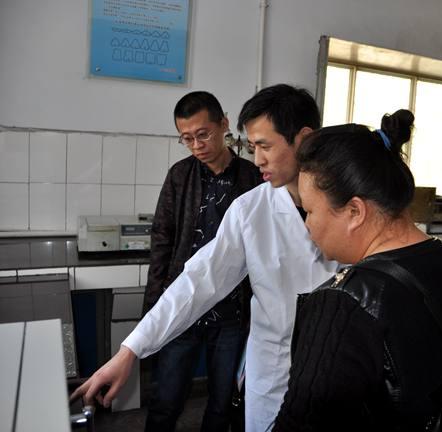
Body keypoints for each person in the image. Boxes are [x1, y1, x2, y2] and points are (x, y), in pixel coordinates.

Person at [71, 84, 339, 432]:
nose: (258, 159)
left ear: (303, 138)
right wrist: (131, 350)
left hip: (333, 367)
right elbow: (199, 279)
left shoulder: (349, 206)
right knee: (171, 398)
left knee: (222, 405)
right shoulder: (249, 208)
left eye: (265, 146)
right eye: (253, 147)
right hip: (273, 371)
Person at [272, 111, 442, 431]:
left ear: (355, 211)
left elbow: (301, 422)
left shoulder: (344, 302)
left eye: (310, 211)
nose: (307, 226)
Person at [142, 91, 262, 432]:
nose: (196, 145)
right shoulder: (180, 176)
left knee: (222, 402)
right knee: (167, 399)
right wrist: (155, 302)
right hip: (184, 304)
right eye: (187, 138)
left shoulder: (252, 177)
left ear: (224, 124)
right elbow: (162, 238)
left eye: (203, 134)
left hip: (231, 312)